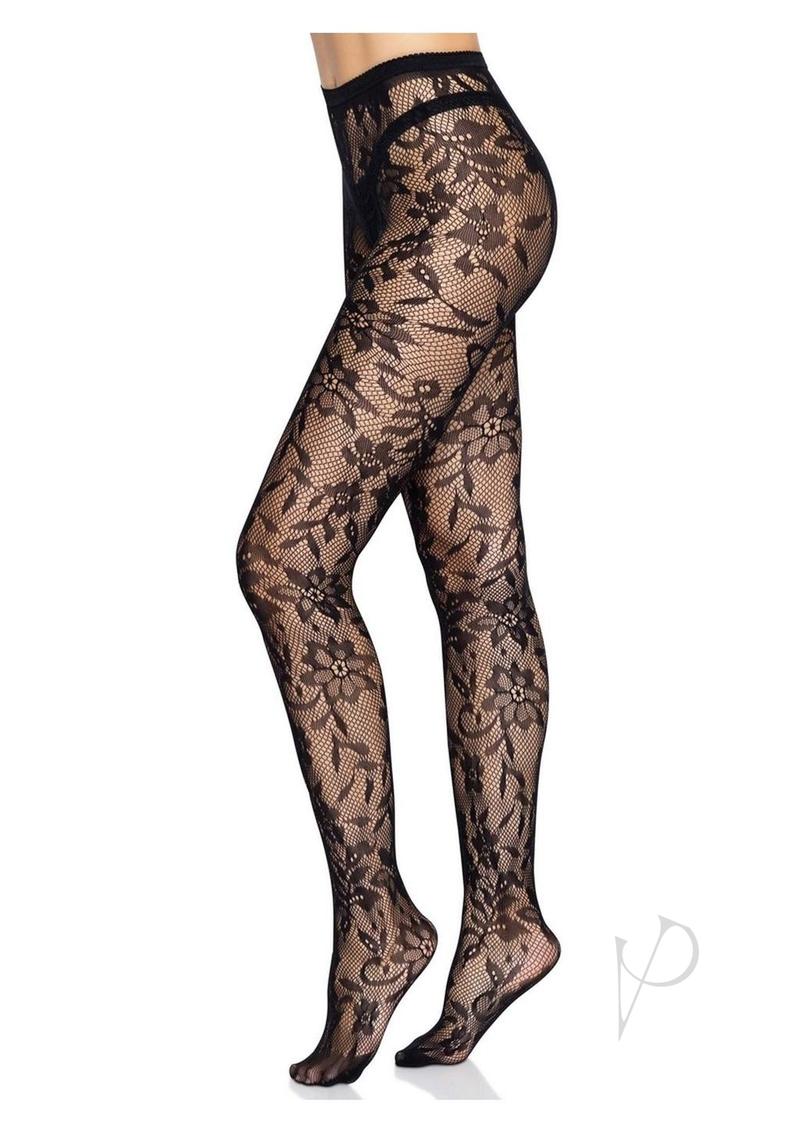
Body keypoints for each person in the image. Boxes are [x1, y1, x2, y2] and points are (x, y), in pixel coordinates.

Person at [236, 32, 561, 1087]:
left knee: (286, 559)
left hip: (455, 176)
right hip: (393, 173)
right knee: (478, 573)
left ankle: (376, 924)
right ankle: (504, 920)